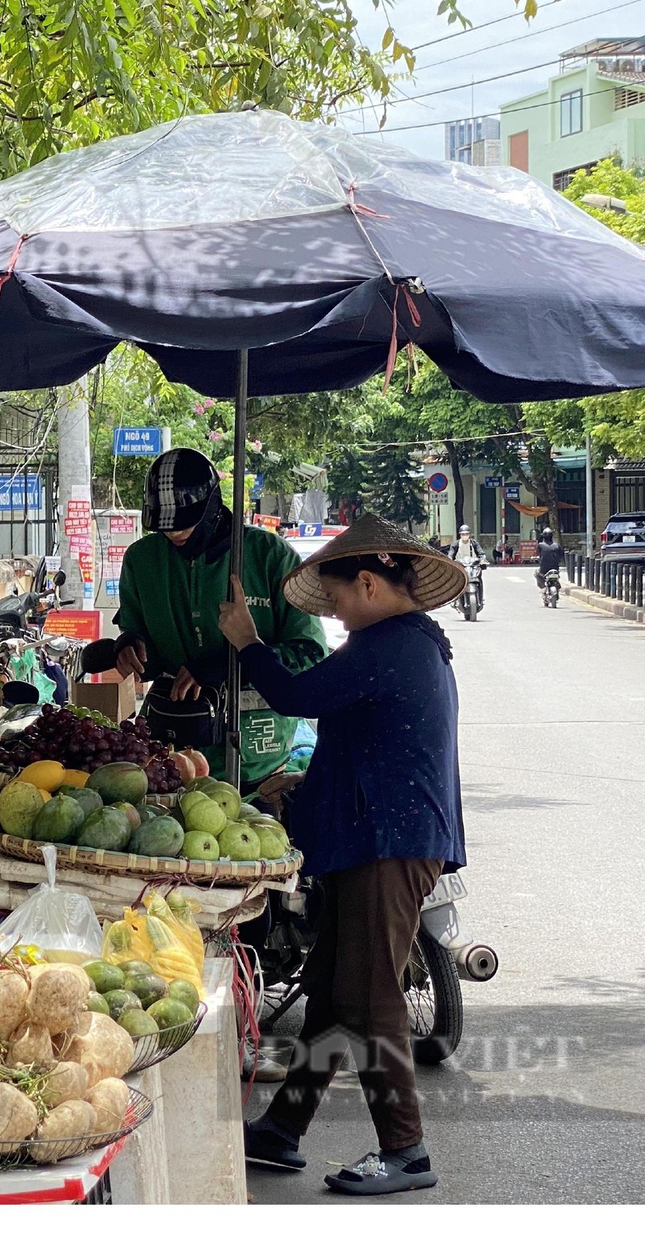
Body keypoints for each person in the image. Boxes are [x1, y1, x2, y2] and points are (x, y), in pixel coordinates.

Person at [217, 514, 467, 1196]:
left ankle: (405, 1148)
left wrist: (249, 640)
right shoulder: (411, 643)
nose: (337, 616)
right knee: (329, 991)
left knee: (372, 994)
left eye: (340, 601)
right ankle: (283, 1127)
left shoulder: (389, 644)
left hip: (387, 841)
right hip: (377, 835)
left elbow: (299, 694)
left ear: (367, 582)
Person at [112, 448, 327, 791]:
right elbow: (135, 630)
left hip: (256, 755)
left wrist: (231, 666)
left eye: (185, 524)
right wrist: (130, 646)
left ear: (213, 507)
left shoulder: (270, 557)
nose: (174, 534)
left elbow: (310, 653)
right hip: (171, 749)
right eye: (164, 528)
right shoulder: (141, 559)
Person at [533, 525, 564, 594]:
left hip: (544, 569)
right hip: (555, 567)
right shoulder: (557, 545)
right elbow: (561, 555)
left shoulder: (540, 545)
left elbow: (538, 554)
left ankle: (543, 587)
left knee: (537, 574)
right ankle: (557, 586)